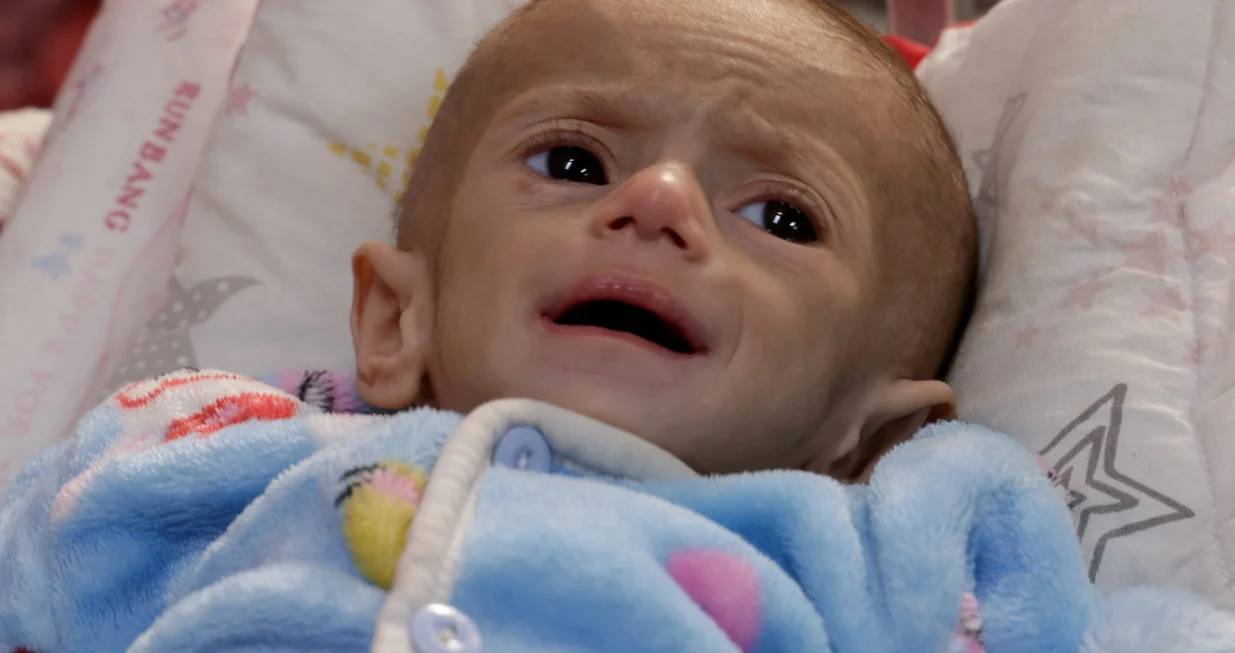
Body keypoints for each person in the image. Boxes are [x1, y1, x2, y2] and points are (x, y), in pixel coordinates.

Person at [2, 1, 1231, 651]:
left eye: (783, 217)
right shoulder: (205, 459)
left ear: (868, 434)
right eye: (572, 158)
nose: (654, 203)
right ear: (392, 318)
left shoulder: (876, 555)